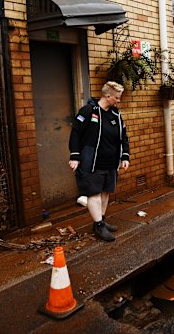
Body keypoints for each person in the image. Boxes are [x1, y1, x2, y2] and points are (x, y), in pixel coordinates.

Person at [68, 81, 130, 241]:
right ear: (107, 96)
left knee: (105, 192)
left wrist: (125, 156)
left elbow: (123, 137)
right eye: (117, 97)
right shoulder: (88, 111)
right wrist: (75, 156)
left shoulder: (116, 114)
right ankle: (99, 225)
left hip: (110, 162)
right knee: (94, 193)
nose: (118, 100)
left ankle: (101, 220)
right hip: (92, 162)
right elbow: (75, 133)